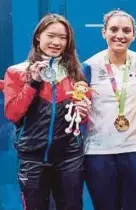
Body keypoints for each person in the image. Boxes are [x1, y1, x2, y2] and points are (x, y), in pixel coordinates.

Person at [3, 14, 89, 210]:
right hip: (33, 157)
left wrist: (83, 114)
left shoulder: (76, 72)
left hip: (69, 158)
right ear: (38, 37)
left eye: (63, 37)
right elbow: (13, 114)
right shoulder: (17, 72)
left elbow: (81, 119)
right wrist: (33, 82)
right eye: (51, 35)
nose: (57, 42)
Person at [82, 9, 136, 210]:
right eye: (113, 29)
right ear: (103, 32)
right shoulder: (88, 67)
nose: (120, 35)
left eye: (126, 30)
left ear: (134, 35)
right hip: (98, 151)